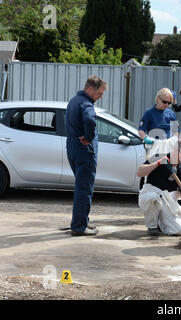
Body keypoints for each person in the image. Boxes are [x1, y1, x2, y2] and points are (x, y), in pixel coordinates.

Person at [65, 75, 107, 236]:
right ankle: (79, 226)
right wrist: (88, 138)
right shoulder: (86, 104)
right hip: (84, 152)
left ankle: (82, 221)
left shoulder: (73, 101)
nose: (100, 96)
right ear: (90, 89)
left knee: (81, 186)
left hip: (73, 148)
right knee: (84, 189)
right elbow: (90, 119)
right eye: (99, 93)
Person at [137, 140, 181, 236]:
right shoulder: (159, 156)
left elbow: (179, 193)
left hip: (168, 201)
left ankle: (162, 222)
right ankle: (152, 226)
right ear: (176, 150)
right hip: (151, 195)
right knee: (153, 197)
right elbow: (140, 172)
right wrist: (157, 163)